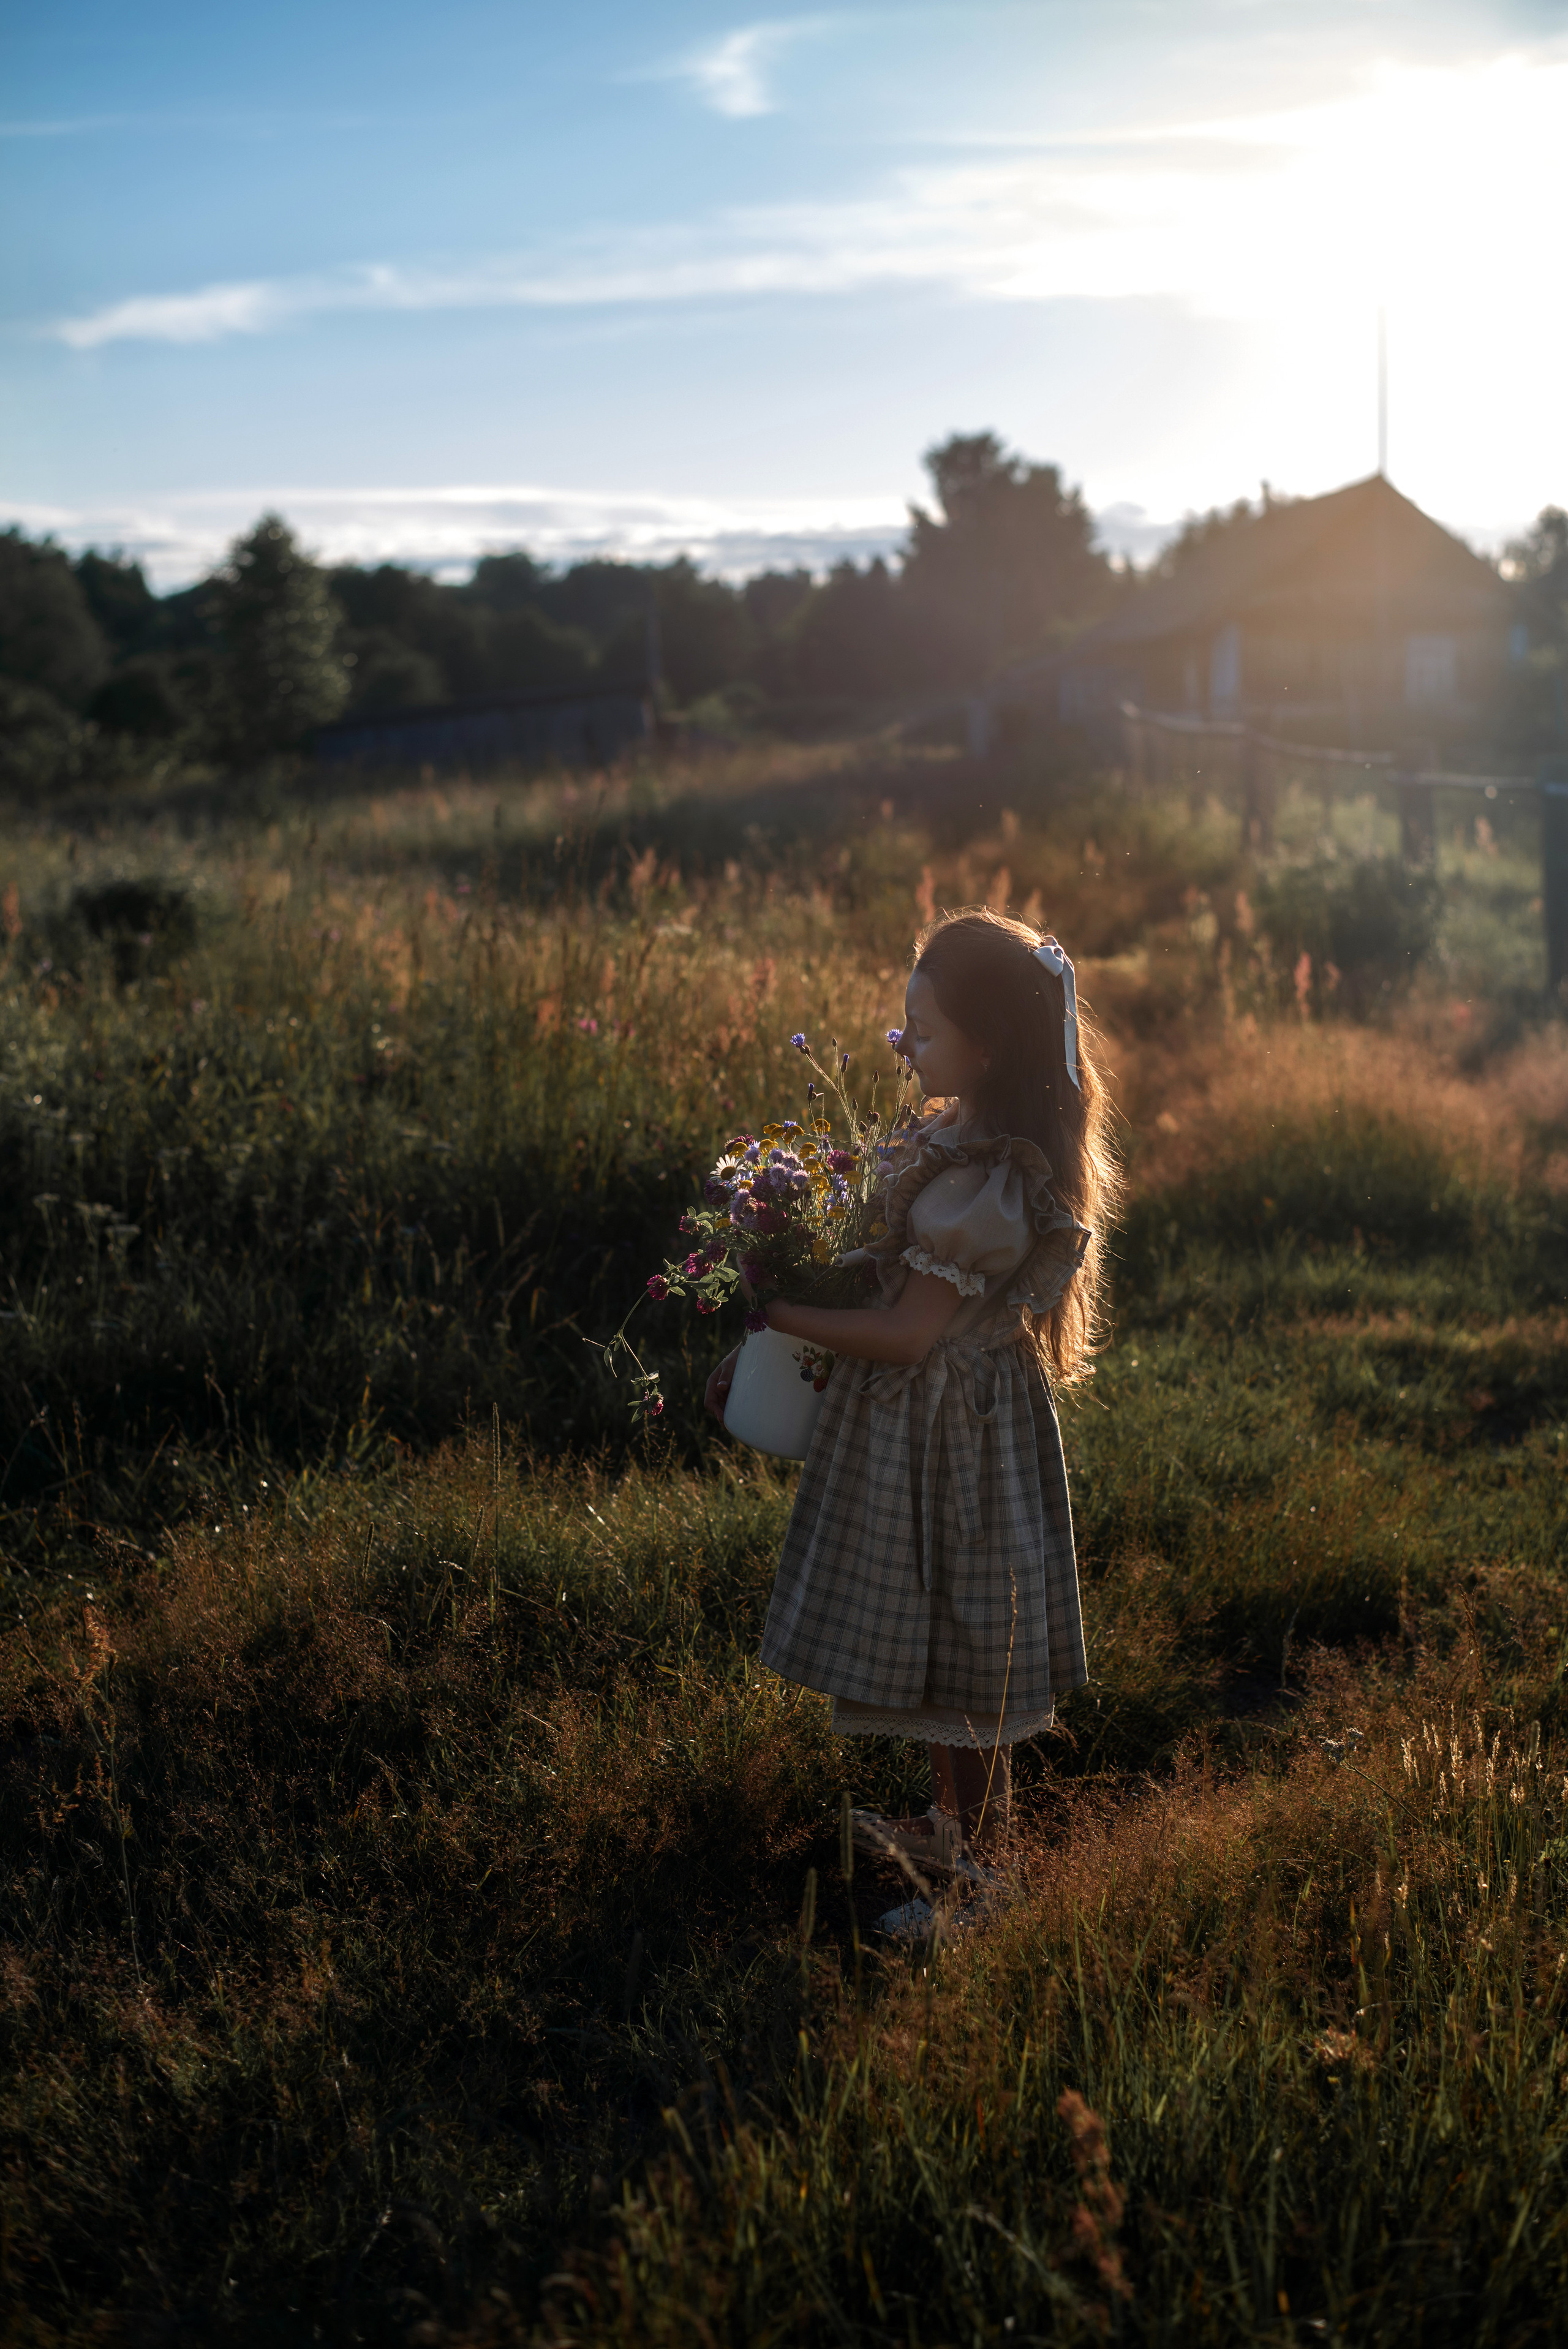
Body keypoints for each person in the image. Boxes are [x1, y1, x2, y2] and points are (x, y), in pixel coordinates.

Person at [704, 908, 1119, 1880]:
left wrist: (779, 1315)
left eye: (925, 1033)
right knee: (938, 1644)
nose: (907, 1047)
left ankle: (982, 1873)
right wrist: (776, 1339)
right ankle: (953, 1829)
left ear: (989, 1046)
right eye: (908, 1027)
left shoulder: (993, 1184)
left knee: (967, 1650)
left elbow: (905, 1332)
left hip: (954, 1435)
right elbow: (882, 1291)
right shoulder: (948, 1138)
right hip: (920, 1423)